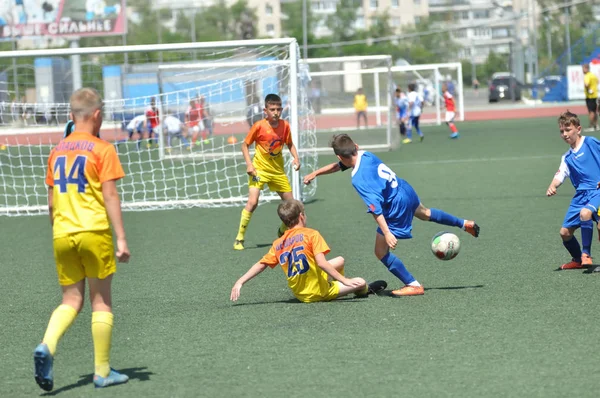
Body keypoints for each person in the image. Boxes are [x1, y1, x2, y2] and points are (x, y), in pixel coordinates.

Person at [34, 87, 130, 391]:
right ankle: (102, 371)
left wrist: (59, 230)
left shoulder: (57, 150)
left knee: (70, 300)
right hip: (94, 231)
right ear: (98, 114)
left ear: (70, 116)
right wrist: (122, 238)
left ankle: (47, 345)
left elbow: (50, 202)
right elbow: (110, 194)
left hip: (62, 233)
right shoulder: (102, 149)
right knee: (100, 301)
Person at [303, 134, 480, 297]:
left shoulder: (358, 179)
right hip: (404, 190)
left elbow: (375, 208)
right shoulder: (365, 154)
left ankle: (413, 284)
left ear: (339, 156)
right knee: (425, 213)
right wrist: (316, 173)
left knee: (380, 251)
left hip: (395, 206)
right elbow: (340, 166)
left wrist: (387, 233)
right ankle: (464, 224)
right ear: (356, 146)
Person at [231, 199, 387, 303]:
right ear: (301, 216)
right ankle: (364, 290)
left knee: (340, 260)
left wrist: (240, 281)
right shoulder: (311, 234)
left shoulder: (278, 243)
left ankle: (334, 283)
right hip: (317, 292)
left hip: (300, 292)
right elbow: (321, 263)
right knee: (359, 282)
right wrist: (345, 281)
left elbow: (261, 264)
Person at [233, 93, 301, 251]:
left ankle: (282, 231)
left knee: (292, 206)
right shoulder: (259, 126)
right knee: (253, 202)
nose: (276, 112)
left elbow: (289, 144)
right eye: (272, 109)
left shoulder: (285, 126)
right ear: (265, 110)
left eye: (278, 109)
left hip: (278, 172)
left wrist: (296, 158)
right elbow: (244, 145)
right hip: (259, 171)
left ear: (282, 109)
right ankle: (239, 238)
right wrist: (250, 165)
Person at [546, 111, 600, 270]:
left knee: (587, 215)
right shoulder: (567, 157)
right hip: (581, 197)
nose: (565, 134)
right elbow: (560, 174)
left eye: (568, 129)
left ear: (578, 129)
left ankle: (586, 254)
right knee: (565, 233)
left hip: (597, 191)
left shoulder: (590, 143)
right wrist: (553, 185)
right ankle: (577, 259)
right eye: (562, 131)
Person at [582, 63, 598, 131]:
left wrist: (588, 89)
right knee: (594, 111)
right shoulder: (593, 75)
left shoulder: (587, 76)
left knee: (591, 111)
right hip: (595, 95)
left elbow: (586, 84)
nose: (582, 70)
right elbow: (598, 81)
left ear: (586, 68)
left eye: (583, 69)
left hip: (590, 96)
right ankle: (596, 125)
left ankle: (591, 126)